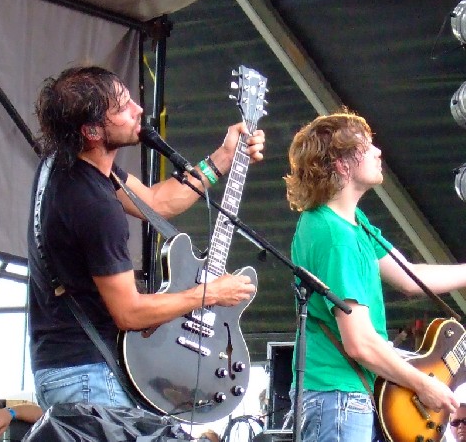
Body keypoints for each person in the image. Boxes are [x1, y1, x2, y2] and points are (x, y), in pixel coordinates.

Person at [27, 65, 265, 411]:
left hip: (70, 369)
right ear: (92, 131)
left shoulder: (67, 165)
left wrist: (224, 157)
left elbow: (157, 202)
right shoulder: (93, 204)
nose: (138, 109)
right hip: (88, 375)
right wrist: (212, 292)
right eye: (122, 108)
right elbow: (130, 313)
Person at [283, 109, 465, 441]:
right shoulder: (334, 236)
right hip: (336, 397)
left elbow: (410, 277)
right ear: (342, 164)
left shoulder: (353, 222)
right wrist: (424, 385)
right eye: (367, 146)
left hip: (344, 396)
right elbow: (360, 343)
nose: (379, 152)